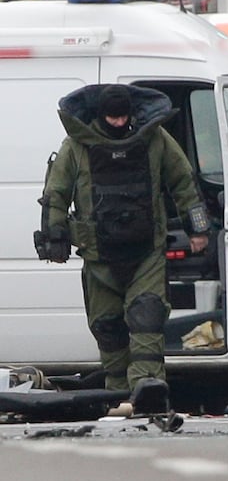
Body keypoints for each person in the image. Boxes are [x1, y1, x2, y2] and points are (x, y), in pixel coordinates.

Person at [37, 84, 210, 414]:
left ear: (131, 114)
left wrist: (198, 230)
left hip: (146, 252)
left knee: (147, 317)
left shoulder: (155, 139)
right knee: (108, 327)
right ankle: (116, 397)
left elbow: (183, 182)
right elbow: (56, 193)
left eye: (123, 117)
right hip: (98, 254)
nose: (118, 124)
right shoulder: (77, 145)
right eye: (112, 118)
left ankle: (148, 390)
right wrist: (54, 238)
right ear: (101, 116)